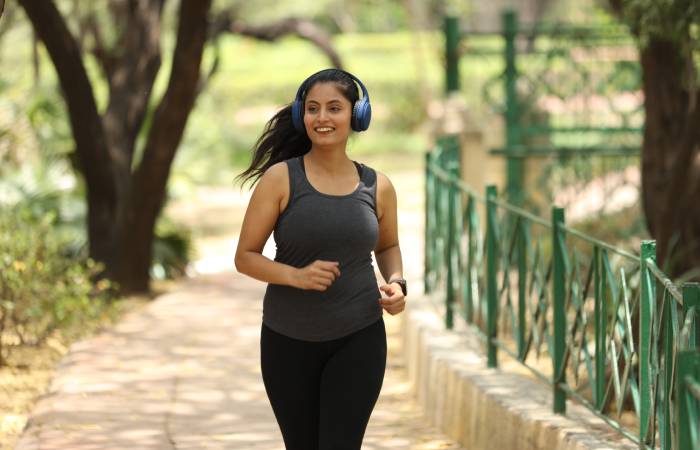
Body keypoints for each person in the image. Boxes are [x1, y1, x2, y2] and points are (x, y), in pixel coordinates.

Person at [233, 68, 407, 450]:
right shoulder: (280, 179)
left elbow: (388, 246)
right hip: (287, 339)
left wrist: (397, 283)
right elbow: (245, 257)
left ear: (356, 115)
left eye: (334, 108)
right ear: (301, 116)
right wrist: (295, 276)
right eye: (312, 109)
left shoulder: (378, 185)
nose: (322, 118)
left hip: (360, 335)